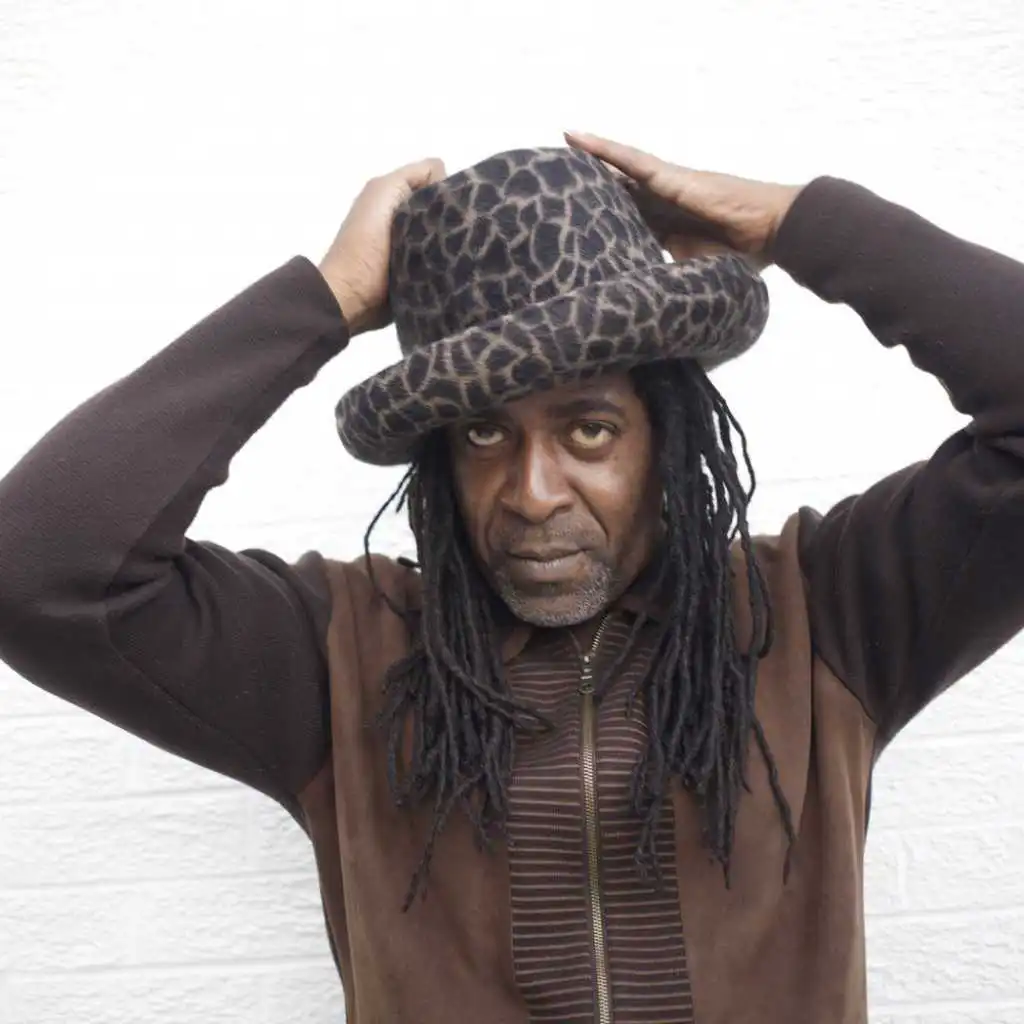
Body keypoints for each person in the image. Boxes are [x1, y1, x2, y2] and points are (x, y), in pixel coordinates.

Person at [0, 132, 1022, 1024]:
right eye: (484, 434)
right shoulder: (342, 655)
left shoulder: (821, 614)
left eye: (590, 429)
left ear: (667, 440)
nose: (532, 493)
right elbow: (35, 569)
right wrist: (325, 299)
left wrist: (803, 224)